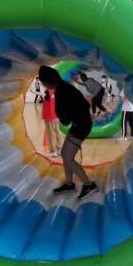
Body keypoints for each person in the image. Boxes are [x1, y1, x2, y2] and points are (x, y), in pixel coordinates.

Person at [38, 66, 98, 200]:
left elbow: (65, 119)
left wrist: (66, 116)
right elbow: (85, 105)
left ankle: (89, 185)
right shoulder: (64, 87)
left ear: (46, 82)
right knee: (65, 154)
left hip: (81, 125)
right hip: (80, 123)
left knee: (68, 157)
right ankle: (70, 184)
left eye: (42, 82)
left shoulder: (62, 91)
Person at [41, 87, 62, 158]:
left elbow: (42, 94)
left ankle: (53, 151)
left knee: (50, 133)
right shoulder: (56, 91)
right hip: (56, 116)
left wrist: (32, 90)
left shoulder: (47, 93)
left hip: (49, 117)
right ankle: (59, 149)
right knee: (57, 132)